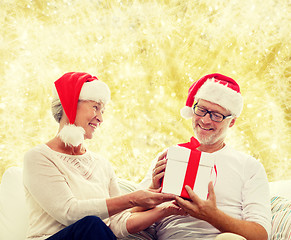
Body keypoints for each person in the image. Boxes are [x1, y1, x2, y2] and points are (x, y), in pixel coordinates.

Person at [23, 72, 185, 240]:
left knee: (97, 227)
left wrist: (166, 209)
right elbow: (69, 213)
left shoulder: (102, 165)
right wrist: (133, 199)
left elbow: (117, 225)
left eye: (102, 111)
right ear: (70, 104)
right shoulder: (38, 158)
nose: (100, 118)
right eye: (95, 107)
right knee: (91, 225)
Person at [139, 73, 272, 240]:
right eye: (201, 110)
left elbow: (261, 235)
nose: (205, 120)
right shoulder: (169, 156)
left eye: (216, 115)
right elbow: (128, 215)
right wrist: (152, 188)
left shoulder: (249, 167)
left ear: (231, 122)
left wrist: (211, 215)